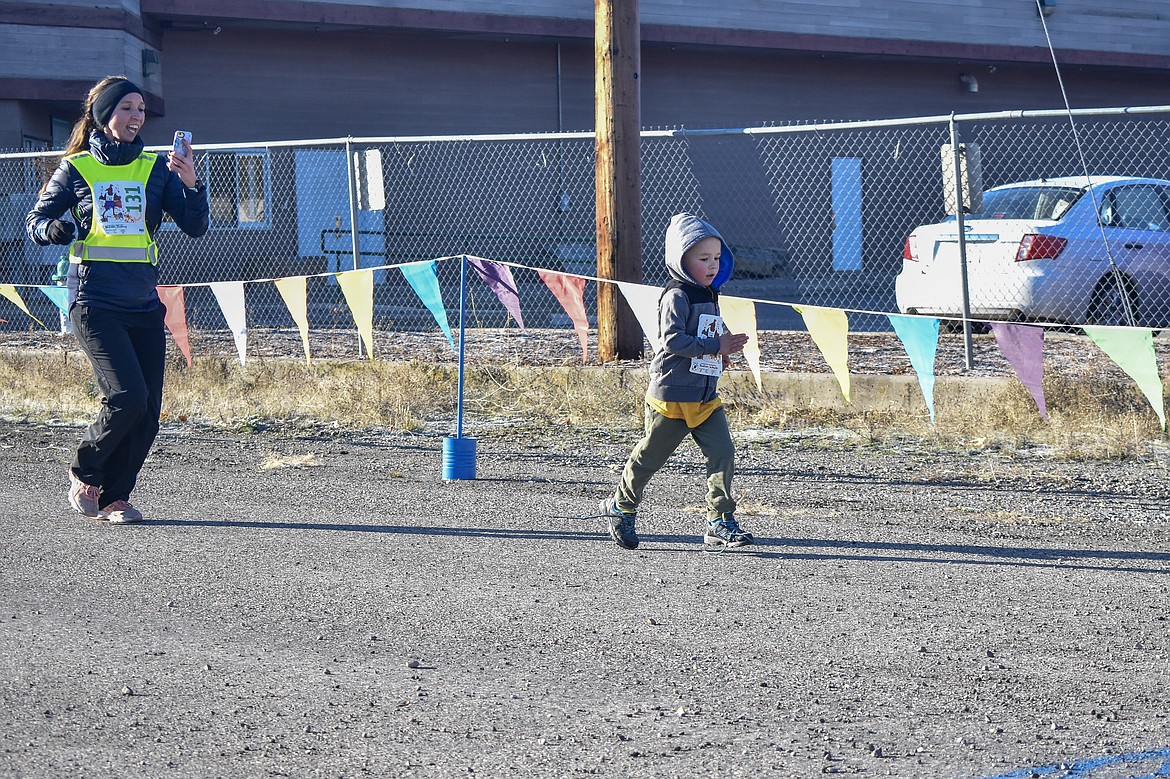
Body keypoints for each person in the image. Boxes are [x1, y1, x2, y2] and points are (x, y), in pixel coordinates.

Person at [26, 76, 209, 523]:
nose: (136, 117)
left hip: (143, 302)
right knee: (127, 395)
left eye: (141, 110)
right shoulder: (77, 168)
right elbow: (36, 219)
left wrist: (190, 182)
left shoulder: (155, 169)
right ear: (106, 114)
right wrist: (53, 229)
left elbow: (195, 226)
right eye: (127, 108)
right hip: (93, 299)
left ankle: (115, 497)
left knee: (147, 411)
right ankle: (85, 471)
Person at [599, 213, 753, 550]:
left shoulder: (709, 293)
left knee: (722, 452)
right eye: (703, 259)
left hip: (705, 396)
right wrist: (715, 345)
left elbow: (711, 327)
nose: (712, 266)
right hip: (671, 396)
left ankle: (719, 521)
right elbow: (671, 341)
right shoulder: (676, 296)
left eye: (716, 258)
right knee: (650, 458)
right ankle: (621, 507)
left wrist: (722, 346)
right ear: (681, 261)